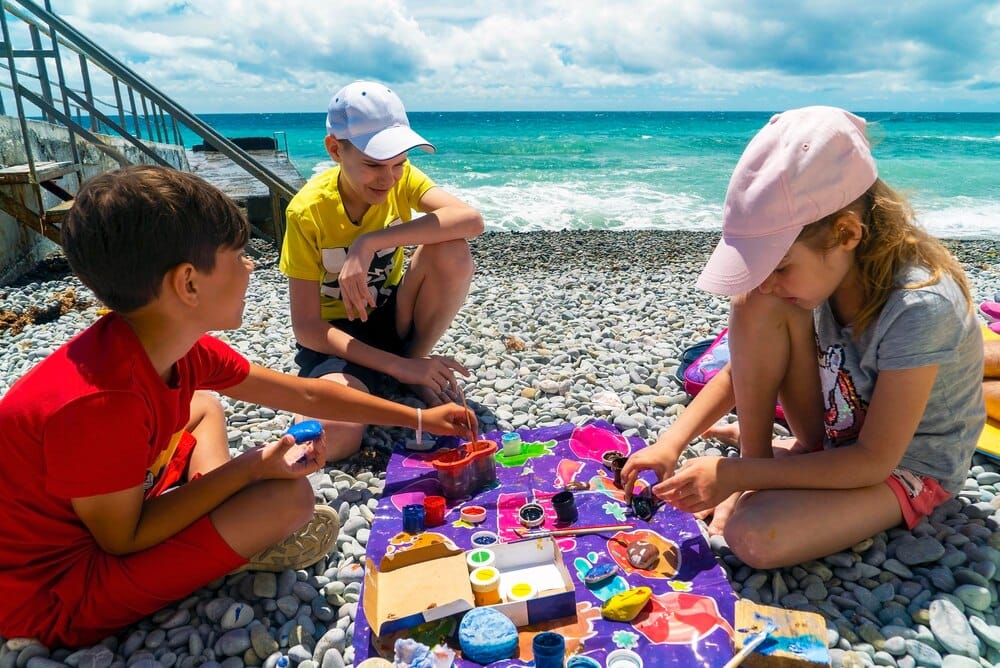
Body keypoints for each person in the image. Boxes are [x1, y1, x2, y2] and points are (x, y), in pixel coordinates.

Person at [0, 166, 477, 648]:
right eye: (238, 256)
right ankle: (230, 543)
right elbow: (123, 539)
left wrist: (418, 417)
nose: (250, 267)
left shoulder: (168, 345)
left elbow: (305, 393)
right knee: (288, 498)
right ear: (188, 284)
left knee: (203, 404)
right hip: (62, 587)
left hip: (110, 506)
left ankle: (217, 521)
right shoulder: (102, 403)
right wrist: (251, 468)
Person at [621, 106, 984, 570]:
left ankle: (761, 474)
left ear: (847, 233)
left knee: (755, 537)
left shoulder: (919, 307)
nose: (769, 280)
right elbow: (742, 372)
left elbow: (874, 461)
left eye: (780, 265)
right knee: (752, 301)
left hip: (904, 467)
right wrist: (671, 443)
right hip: (834, 437)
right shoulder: (824, 275)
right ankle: (762, 468)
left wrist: (731, 475)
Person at [280, 81, 484, 462]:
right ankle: (404, 373)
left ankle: (415, 363)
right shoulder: (307, 211)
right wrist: (398, 367)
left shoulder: (400, 180)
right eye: (373, 165)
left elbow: (470, 220)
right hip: (337, 339)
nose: (388, 179)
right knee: (333, 436)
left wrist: (368, 242)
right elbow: (307, 327)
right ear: (335, 149)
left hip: (392, 317)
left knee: (451, 249)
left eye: (398, 164)